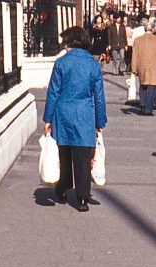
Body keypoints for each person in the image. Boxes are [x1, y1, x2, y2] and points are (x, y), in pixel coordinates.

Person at [42, 26, 107, 212]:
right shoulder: (94, 65)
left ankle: (63, 187)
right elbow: (99, 96)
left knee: (64, 152)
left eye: (65, 42)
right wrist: (100, 122)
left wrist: (48, 118)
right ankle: (83, 197)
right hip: (84, 113)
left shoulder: (61, 63)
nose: (64, 46)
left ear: (70, 43)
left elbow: (53, 92)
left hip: (63, 112)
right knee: (82, 155)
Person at [131, 18, 156, 116]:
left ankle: (143, 104)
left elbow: (134, 55)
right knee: (152, 86)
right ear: (152, 29)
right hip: (154, 66)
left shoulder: (138, 40)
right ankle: (148, 108)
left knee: (143, 85)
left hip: (142, 66)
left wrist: (134, 68)